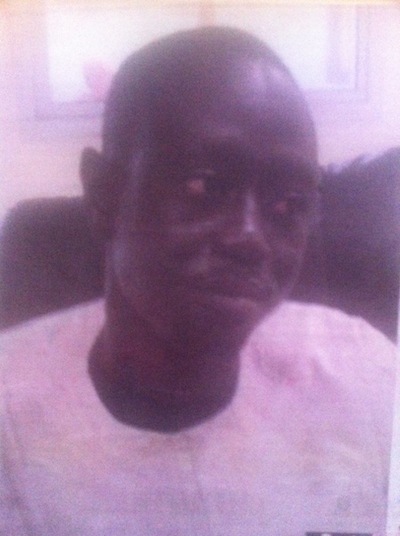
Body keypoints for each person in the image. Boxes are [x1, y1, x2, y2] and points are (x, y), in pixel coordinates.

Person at [0, 27, 395, 536]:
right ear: (103, 195)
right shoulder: (14, 431)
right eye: (204, 184)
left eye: (288, 205)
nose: (250, 238)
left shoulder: (363, 373)